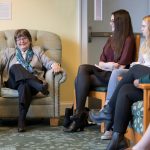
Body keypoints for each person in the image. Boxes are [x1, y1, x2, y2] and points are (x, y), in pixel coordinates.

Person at [63, 9, 135, 132]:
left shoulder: (128, 40)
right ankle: (80, 115)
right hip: (105, 72)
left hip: (115, 77)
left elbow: (121, 66)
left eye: (112, 21)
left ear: (120, 23)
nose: (110, 23)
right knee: (83, 70)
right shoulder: (111, 39)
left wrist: (110, 66)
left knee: (81, 75)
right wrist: (110, 64)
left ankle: (79, 117)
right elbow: (101, 61)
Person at [89, 15, 150, 150]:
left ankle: (108, 111)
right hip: (143, 79)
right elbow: (142, 63)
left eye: (144, 26)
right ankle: (118, 138)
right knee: (125, 90)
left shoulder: (129, 40)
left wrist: (140, 79)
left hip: (147, 82)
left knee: (134, 69)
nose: (141, 28)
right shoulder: (145, 44)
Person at [0, 29, 62, 132]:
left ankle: (21, 120)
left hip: (28, 85)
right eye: (19, 39)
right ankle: (38, 85)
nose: (22, 41)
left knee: (24, 86)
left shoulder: (37, 50)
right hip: (13, 81)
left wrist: (54, 64)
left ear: (29, 40)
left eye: (24, 38)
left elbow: (47, 62)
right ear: (16, 42)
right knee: (16, 67)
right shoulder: (9, 52)